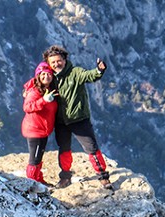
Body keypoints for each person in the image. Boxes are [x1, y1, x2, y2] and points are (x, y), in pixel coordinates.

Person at [42, 45, 113, 190]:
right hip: (61, 121)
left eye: (59, 61)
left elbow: (90, 76)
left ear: (65, 59)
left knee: (91, 148)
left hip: (79, 118)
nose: (56, 64)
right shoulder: (50, 77)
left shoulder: (75, 72)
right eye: (53, 62)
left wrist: (99, 70)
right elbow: (37, 84)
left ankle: (103, 176)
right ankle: (65, 177)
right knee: (64, 149)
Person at [21, 61, 58, 185]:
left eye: (48, 74)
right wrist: (43, 100)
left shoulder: (49, 90)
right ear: (38, 76)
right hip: (34, 130)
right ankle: (31, 183)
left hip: (43, 130)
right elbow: (27, 107)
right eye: (42, 75)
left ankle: (38, 179)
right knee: (34, 159)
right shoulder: (35, 91)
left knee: (39, 156)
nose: (46, 77)